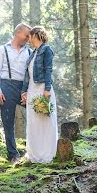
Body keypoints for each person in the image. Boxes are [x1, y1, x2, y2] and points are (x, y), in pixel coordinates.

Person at [0, 23, 31, 163]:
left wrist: (27, 90)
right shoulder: (2, 49)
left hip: (23, 89)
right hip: (6, 85)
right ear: (17, 33)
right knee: (8, 122)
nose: (28, 38)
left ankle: (35, 150)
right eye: (26, 35)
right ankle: (13, 155)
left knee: (35, 113)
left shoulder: (29, 52)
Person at [21, 26, 58, 163]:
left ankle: (48, 154)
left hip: (43, 88)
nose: (28, 39)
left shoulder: (46, 50)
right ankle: (35, 154)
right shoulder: (32, 53)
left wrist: (47, 89)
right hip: (32, 90)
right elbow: (28, 75)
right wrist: (24, 92)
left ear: (35, 35)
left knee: (45, 120)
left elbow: (48, 70)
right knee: (34, 121)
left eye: (30, 36)